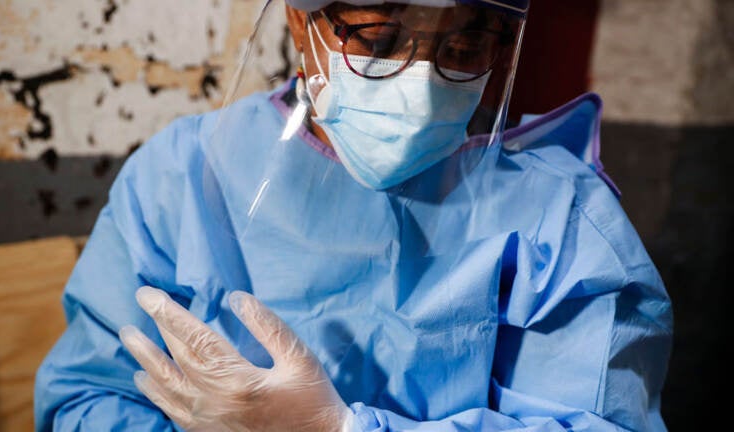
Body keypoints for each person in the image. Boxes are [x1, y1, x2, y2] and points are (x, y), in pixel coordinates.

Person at [34, 0, 673, 431]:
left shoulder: (560, 220)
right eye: (377, 37)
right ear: (297, 21)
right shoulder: (180, 177)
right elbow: (86, 396)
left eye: (466, 44)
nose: (421, 81)